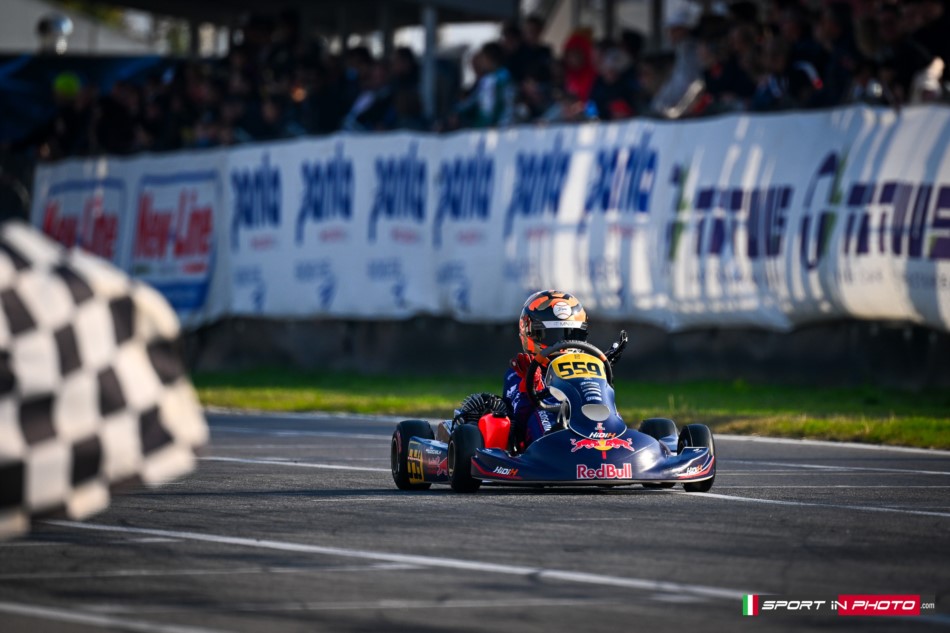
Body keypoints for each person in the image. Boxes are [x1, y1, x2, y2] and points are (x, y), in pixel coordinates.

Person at [502, 290, 626, 452]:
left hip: (589, 427)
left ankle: (617, 442)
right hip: (545, 443)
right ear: (529, 333)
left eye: (571, 335)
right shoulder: (518, 372)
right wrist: (530, 384)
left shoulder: (588, 366)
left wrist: (602, 369)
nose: (563, 345)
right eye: (551, 336)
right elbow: (519, 421)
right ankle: (555, 447)